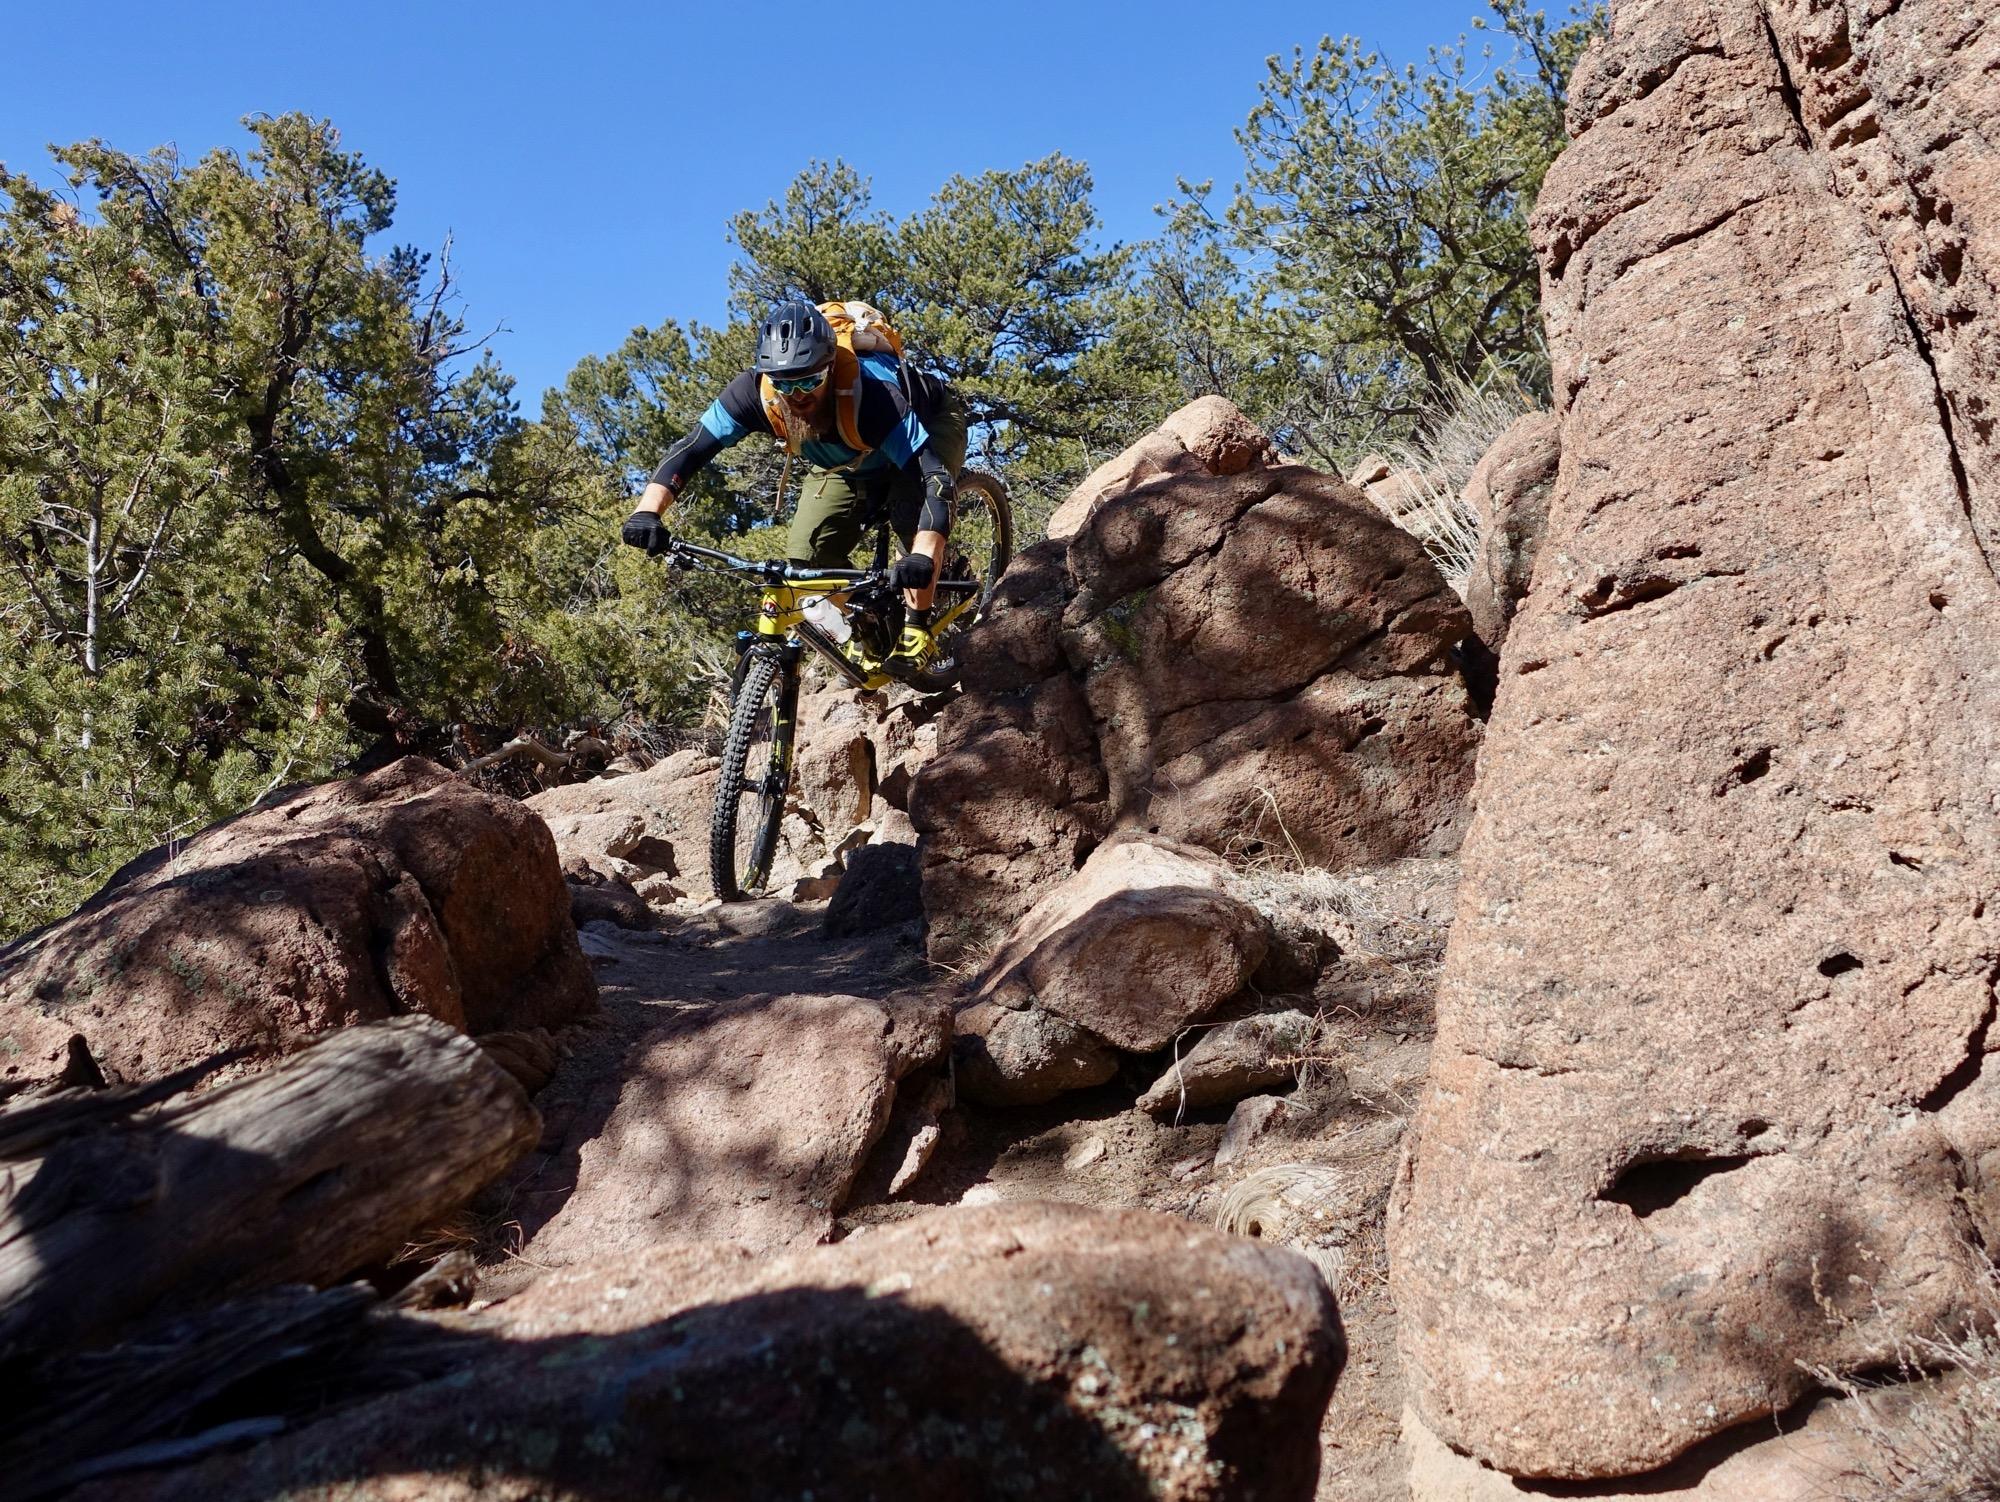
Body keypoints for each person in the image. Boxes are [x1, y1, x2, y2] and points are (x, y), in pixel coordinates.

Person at [619, 300, 967, 677]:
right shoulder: (753, 394)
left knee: (909, 515)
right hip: (848, 458)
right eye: (786, 383)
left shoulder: (874, 397)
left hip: (930, 427)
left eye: (809, 381)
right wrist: (647, 511)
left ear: (831, 368)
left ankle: (918, 626)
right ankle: (871, 616)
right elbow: (691, 449)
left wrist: (922, 556)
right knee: (806, 562)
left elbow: (934, 478)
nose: (797, 395)